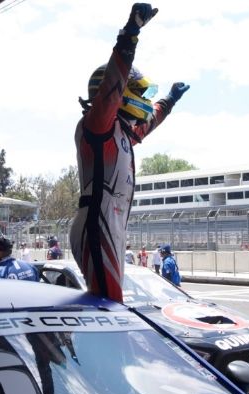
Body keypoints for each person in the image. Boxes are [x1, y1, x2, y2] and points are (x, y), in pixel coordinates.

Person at [69, 3, 189, 302]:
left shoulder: (122, 132)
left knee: (111, 300)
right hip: (99, 218)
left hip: (113, 220)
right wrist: (131, 33)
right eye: (140, 93)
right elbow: (113, 82)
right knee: (109, 302)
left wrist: (170, 100)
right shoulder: (97, 124)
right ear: (121, 94)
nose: (145, 102)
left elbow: (149, 123)